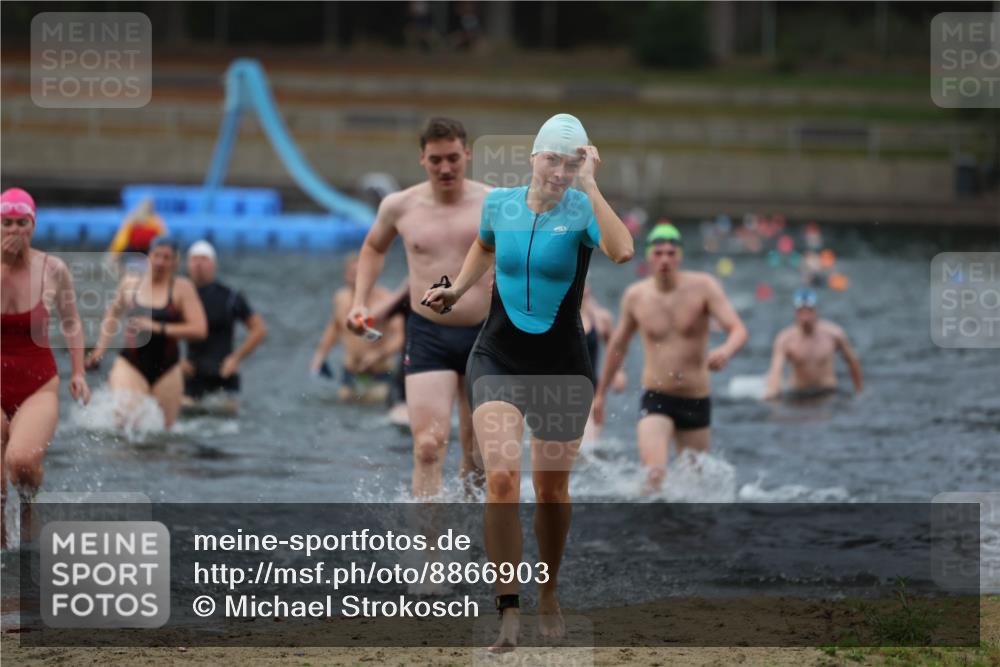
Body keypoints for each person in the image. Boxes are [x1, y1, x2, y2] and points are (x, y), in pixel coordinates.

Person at [422, 113, 634, 651]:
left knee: (552, 492)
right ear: (534, 157)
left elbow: (622, 250)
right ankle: (509, 610)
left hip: (562, 364)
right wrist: (457, 290)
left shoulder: (585, 210)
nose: (560, 170)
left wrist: (590, 184)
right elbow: (485, 247)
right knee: (500, 480)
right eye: (553, 159)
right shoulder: (500, 205)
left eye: (571, 162)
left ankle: (550, 592)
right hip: (498, 356)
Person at [347, 117, 492, 498]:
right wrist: (361, 301)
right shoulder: (399, 206)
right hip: (428, 333)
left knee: (477, 455)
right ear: (422, 159)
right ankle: (430, 553)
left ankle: (473, 537)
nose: (445, 168)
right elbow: (374, 248)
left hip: (485, 333)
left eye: (453, 158)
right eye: (436, 160)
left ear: (468, 154)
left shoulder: (494, 203)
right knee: (428, 447)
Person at [593, 223, 748, 495]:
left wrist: (726, 350)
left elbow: (738, 329)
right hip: (657, 397)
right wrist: (601, 395)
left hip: (695, 397)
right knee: (653, 475)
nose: (664, 259)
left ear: (679, 256)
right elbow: (618, 346)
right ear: (650, 257)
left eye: (670, 252)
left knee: (696, 487)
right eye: (659, 252)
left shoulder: (704, 287)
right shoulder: (636, 296)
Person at [1, 187, 90, 548]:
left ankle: (29, 508)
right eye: (6, 223)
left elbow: (72, 322)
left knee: (21, 461)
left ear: (33, 226)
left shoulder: (53, 269)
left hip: (37, 383)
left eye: (22, 223)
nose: (14, 231)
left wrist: (79, 372)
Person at [86, 236, 207, 430]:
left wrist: (158, 327)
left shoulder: (182, 289)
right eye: (157, 255)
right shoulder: (131, 283)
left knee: (165, 432)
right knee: (126, 421)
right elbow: (112, 314)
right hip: (131, 363)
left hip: (167, 368)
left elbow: (200, 329)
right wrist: (100, 348)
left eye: (167, 258)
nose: (160, 262)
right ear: (149, 256)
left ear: (175, 261)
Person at [180, 241, 267, 411]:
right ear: (188, 264)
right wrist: (176, 361)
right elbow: (162, 329)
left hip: (224, 373)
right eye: (194, 259)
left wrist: (236, 358)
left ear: (213, 264)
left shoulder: (230, 297)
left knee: (226, 417)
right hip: (192, 373)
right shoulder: (180, 297)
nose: (199, 264)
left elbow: (259, 330)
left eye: (204, 259)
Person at [310, 254, 404, 404]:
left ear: (371, 275)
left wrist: (379, 354)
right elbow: (335, 327)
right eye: (351, 273)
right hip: (350, 372)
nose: (354, 278)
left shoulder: (386, 301)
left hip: (379, 373)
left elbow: (401, 337)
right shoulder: (340, 298)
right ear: (345, 274)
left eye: (359, 274)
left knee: (377, 402)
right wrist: (320, 355)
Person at [764, 288, 864, 400]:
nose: (805, 316)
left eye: (809, 311)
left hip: (828, 391)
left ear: (815, 311)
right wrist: (772, 393)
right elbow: (776, 370)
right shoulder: (785, 339)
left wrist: (859, 390)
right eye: (801, 311)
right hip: (799, 393)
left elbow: (852, 361)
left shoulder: (834, 334)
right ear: (796, 313)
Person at [580, 283, 625, 442]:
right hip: (560, 387)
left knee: (587, 442)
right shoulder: (556, 315)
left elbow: (614, 347)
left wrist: (617, 372)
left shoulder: (600, 318)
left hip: (590, 388)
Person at [107, 198, 168, 272]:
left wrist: (113, 255)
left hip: (137, 254)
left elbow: (121, 240)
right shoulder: (156, 221)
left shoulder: (133, 219)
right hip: (143, 254)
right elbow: (165, 238)